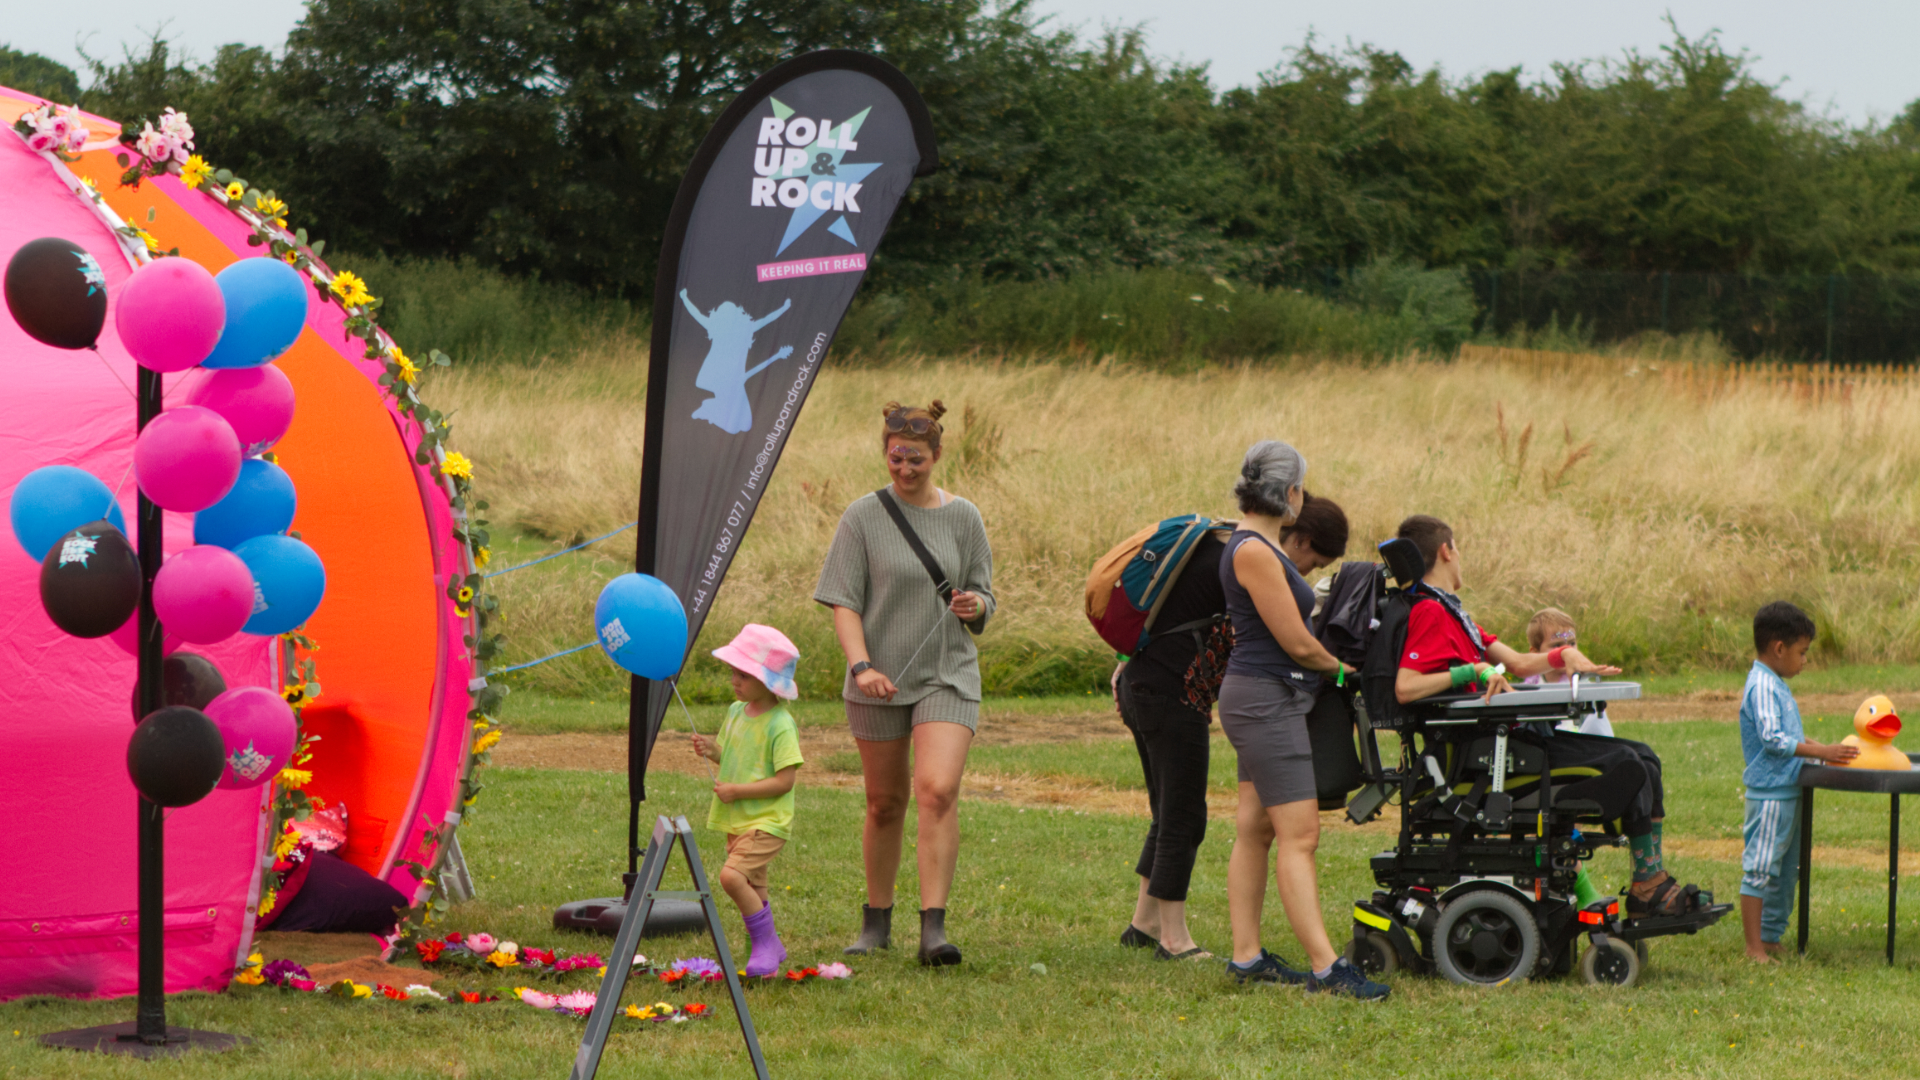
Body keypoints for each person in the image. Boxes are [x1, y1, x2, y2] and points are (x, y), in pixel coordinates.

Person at [1390, 514, 1700, 919]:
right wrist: (1474, 671)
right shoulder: (1430, 612)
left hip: (1503, 744)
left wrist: (1562, 655)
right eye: (1458, 549)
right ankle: (1646, 887)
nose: (1460, 557)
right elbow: (1406, 686)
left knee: (1644, 757)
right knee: (1629, 766)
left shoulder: (1453, 613)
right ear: (1447, 551)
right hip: (1484, 758)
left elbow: (1517, 663)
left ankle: (1649, 882)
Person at [1114, 493, 1350, 963]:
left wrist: (1125, 658)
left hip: (1149, 681)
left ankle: (1144, 924)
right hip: (1172, 692)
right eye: (1312, 561)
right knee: (1183, 814)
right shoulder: (1251, 559)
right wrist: (1340, 669)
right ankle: (1174, 940)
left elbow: (1167, 608)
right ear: (1298, 538)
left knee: (1167, 810)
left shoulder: (1224, 542)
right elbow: (1285, 639)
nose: (1303, 573)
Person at [814, 400, 995, 966]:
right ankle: (876, 922)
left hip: (947, 671)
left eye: (916, 459)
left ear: (937, 455)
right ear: (885, 453)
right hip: (878, 679)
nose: (906, 469)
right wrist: (862, 666)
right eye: (897, 458)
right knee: (883, 802)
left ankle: (933, 930)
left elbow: (986, 595)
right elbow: (843, 601)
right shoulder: (861, 517)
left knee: (937, 789)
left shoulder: (964, 517)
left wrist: (974, 605)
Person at [1216, 442, 1387, 1000]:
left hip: (1258, 696)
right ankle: (1325, 968)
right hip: (1267, 699)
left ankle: (1246, 958)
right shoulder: (1255, 552)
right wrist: (1343, 670)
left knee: (1257, 827)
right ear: (1288, 493)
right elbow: (1295, 642)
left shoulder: (1254, 544)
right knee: (1300, 834)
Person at [1738, 601, 1857, 962]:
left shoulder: (1775, 684)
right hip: (1771, 794)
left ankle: (1771, 937)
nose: (1805, 660)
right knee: (1760, 868)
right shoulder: (1762, 686)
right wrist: (1818, 750)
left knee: (1786, 870)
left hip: (1788, 790)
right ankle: (1753, 946)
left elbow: (1789, 736)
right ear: (1779, 648)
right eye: (1802, 652)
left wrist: (1823, 750)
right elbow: (1774, 741)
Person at [689, 624, 806, 978]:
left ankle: (766, 942)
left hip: (766, 821)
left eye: (743, 674)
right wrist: (713, 751)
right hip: (739, 819)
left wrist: (737, 792)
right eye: (733, 673)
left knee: (731, 877)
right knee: (753, 885)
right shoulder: (736, 713)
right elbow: (734, 756)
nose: (734, 681)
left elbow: (785, 781)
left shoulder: (780, 725)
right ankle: (772, 949)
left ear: (768, 681)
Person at [1521, 607, 1615, 736]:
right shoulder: (1530, 688)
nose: (1567, 651)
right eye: (1557, 645)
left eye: (1572, 643)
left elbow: (1600, 734)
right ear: (1535, 653)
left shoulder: (1583, 688)